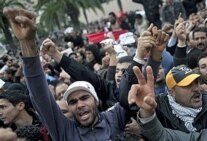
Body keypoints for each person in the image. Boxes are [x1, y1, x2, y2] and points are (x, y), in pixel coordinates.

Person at [3, 7, 131, 141]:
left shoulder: (115, 117)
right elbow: (40, 94)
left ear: (96, 100)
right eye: (73, 102)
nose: (80, 105)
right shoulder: (66, 132)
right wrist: (27, 43)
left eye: (84, 98)